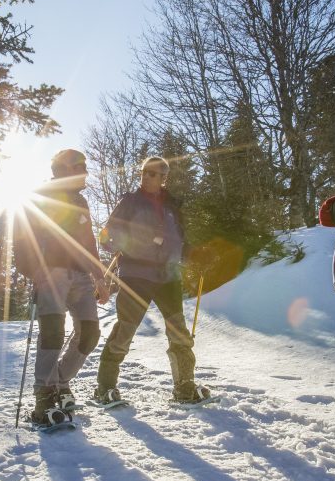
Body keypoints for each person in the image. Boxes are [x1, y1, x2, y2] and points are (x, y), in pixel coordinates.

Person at [94, 156, 211, 405]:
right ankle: (105, 388)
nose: (146, 177)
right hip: (136, 274)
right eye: (144, 172)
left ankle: (184, 386)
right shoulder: (130, 202)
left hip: (168, 275)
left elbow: (178, 241)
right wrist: (124, 245)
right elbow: (105, 235)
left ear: (163, 178)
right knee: (125, 329)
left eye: (152, 173)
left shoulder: (172, 206)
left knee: (179, 331)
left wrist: (196, 255)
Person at [12, 149, 111, 427]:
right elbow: (21, 238)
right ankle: (44, 394)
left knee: (89, 334)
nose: (85, 173)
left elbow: (88, 243)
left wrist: (99, 276)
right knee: (53, 332)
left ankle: (61, 382)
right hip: (51, 273)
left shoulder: (81, 201)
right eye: (80, 167)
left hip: (80, 275)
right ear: (63, 170)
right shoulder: (40, 195)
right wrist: (34, 270)